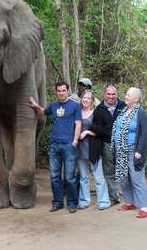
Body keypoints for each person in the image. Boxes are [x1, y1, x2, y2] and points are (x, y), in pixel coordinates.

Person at [29, 81, 82, 213]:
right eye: (59, 91)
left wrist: (75, 141)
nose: (61, 93)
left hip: (69, 145)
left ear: (68, 91)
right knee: (54, 176)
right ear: (56, 92)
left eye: (63, 90)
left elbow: (78, 124)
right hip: (54, 145)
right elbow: (43, 112)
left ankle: (72, 203)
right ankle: (57, 202)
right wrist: (36, 106)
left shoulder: (75, 106)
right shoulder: (54, 106)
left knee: (69, 177)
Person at [111, 87, 147, 219]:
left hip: (133, 150)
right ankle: (130, 202)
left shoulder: (140, 113)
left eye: (128, 95)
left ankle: (144, 207)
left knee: (136, 178)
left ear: (136, 99)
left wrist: (139, 151)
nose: (125, 96)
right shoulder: (123, 111)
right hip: (121, 150)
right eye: (126, 94)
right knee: (124, 178)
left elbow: (144, 133)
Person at [92, 84, 125, 205]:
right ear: (104, 94)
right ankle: (114, 195)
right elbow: (95, 127)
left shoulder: (123, 107)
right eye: (109, 94)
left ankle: (126, 193)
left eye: (113, 94)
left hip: (122, 144)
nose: (111, 96)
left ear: (117, 94)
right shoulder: (99, 109)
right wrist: (107, 130)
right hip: (107, 144)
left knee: (123, 169)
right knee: (109, 171)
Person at [77, 90, 111, 210]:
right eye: (84, 98)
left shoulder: (96, 113)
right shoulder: (77, 112)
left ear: (92, 101)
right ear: (81, 99)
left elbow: (101, 131)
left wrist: (86, 132)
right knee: (83, 177)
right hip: (80, 149)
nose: (86, 100)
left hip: (93, 148)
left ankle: (104, 201)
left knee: (98, 177)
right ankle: (84, 201)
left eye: (88, 98)